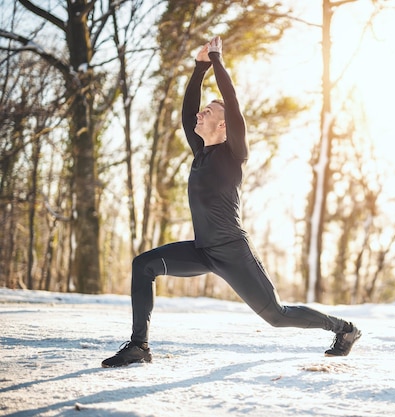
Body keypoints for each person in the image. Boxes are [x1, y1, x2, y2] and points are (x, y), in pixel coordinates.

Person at [102, 36, 361, 368]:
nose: (200, 114)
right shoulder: (201, 153)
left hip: (231, 249)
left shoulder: (233, 154)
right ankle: (139, 346)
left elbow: (233, 102)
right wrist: (198, 68)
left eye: (208, 112)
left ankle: (345, 330)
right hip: (203, 250)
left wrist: (216, 60)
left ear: (224, 124)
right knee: (144, 265)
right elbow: (186, 114)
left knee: (277, 316)